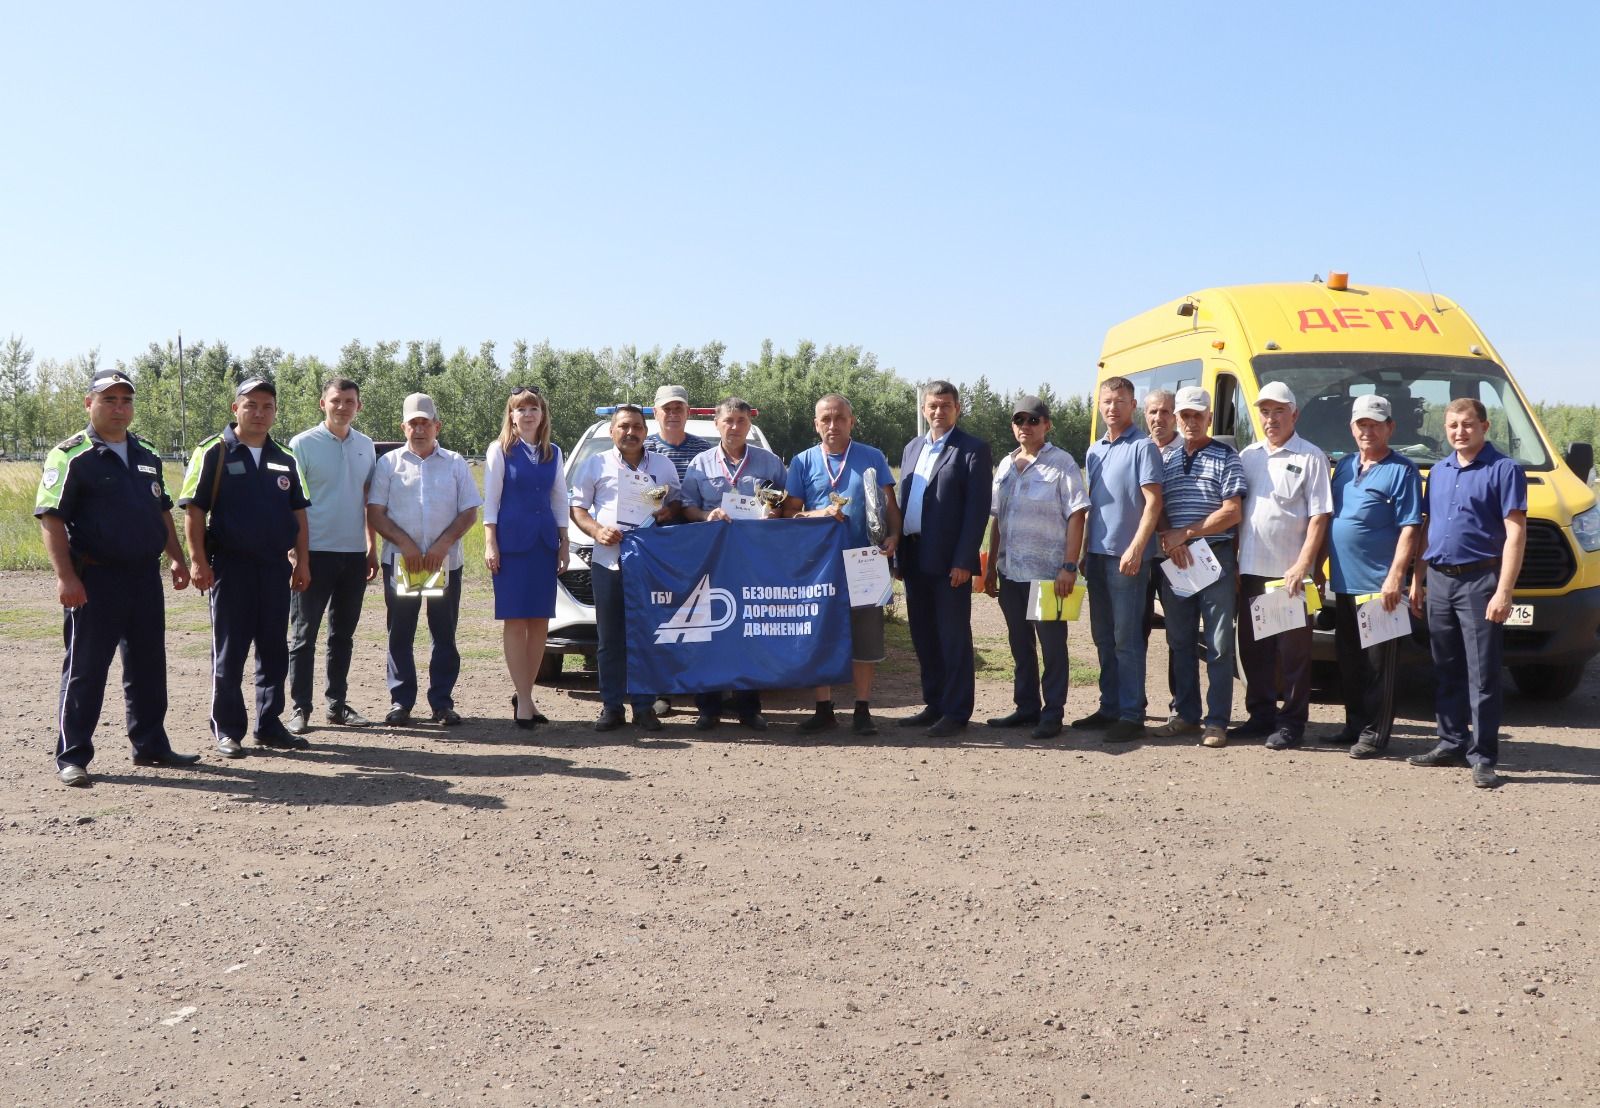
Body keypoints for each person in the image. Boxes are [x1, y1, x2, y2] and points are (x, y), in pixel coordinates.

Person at [35, 368, 197, 787]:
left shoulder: (147, 453)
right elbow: (51, 520)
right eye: (109, 400)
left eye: (126, 400)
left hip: (144, 578)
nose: (119, 408)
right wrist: (66, 578)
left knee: (147, 665)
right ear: (89, 403)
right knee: (86, 668)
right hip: (95, 580)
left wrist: (177, 559)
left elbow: (160, 511)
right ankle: (73, 755)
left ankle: (150, 744)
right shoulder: (71, 456)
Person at [179, 378, 311, 758]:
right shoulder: (214, 451)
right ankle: (228, 730)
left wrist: (302, 560)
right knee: (230, 651)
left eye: (267, 406)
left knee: (273, 650)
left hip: (273, 569)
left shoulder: (285, 457)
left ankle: (269, 724)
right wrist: (198, 560)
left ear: (275, 411)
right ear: (235, 408)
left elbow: (299, 514)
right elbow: (194, 510)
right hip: (230, 569)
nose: (259, 413)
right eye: (251, 405)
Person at [1407, 397, 1527, 789]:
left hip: (1480, 583)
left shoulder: (1504, 470)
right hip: (1439, 580)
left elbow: (1515, 535)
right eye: (1453, 425)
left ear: (1484, 426)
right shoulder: (1438, 472)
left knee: (1483, 675)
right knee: (1446, 667)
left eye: (1468, 424)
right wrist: (1417, 579)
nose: (1460, 431)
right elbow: (1427, 527)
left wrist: (1504, 591)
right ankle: (1451, 742)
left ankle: (1483, 756)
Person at [782, 393, 902, 736]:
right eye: (826, 419)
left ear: (851, 421)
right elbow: (790, 511)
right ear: (816, 424)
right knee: (822, 634)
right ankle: (824, 708)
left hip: (867, 559)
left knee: (865, 638)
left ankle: (863, 708)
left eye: (839, 418)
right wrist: (818, 513)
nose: (832, 425)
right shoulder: (803, 461)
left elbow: (889, 504)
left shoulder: (872, 457)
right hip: (819, 565)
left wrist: (894, 536)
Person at [367, 393, 482, 727]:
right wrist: (406, 544)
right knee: (400, 633)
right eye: (413, 423)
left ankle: (442, 703)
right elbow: (376, 512)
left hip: (443, 564)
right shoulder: (389, 464)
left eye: (425, 423)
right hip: (403, 563)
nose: (419, 429)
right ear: (403, 426)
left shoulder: (455, 463)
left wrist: (441, 545)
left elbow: (469, 511)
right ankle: (401, 702)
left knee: (443, 634)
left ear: (437, 426)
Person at [981, 395, 1089, 740]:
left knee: (1052, 647)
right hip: (1011, 571)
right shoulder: (1006, 465)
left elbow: (1077, 514)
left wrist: (1069, 565)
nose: (1025, 426)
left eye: (1033, 420)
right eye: (1019, 421)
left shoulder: (1062, 463)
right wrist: (992, 565)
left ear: (1047, 424)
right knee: (1019, 643)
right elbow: (998, 519)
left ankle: (1052, 713)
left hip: (1049, 575)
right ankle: (1026, 706)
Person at [569, 405, 682, 732]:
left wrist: (666, 513)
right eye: (623, 427)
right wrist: (596, 531)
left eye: (636, 427)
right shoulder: (595, 464)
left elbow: (675, 500)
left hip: (648, 562)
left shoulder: (662, 464)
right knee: (610, 637)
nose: (630, 432)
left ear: (646, 432)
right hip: (608, 560)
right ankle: (612, 707)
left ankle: (644, 707)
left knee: (646, 635)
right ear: (612, 431)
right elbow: (578, 508)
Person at [1234, 382, 1333, 750]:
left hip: (1289, 576)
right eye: (1264, 411)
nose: (1270, 419)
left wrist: (1305, 564)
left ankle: (1291, 722)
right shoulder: (1248, 455)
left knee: (1293, 655)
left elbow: (1320, 516)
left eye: (1278, 411)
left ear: (1294, 414)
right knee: (1254, 650)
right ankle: (1260, 716)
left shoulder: (1311, 456)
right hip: (1252, 570)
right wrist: (1235, 564)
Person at [680, 396, 787, 731]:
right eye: (729, 420)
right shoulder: (700, 464)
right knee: (709, 631)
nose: (735, 427)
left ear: (749, 425)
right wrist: (706, 514)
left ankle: (749, 707)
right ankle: (708, 707)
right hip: (711, 559)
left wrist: (775, 513)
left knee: (748, 631)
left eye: (741, 421)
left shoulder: (769, 463)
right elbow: (686, 506)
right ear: (717, 424)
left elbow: (786, 502)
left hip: (753, 560)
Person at [1325, 394, 1423, 758]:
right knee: (1349, 660)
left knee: (1379, 667)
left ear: (1390, 428)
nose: (1368, 430)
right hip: (1344, 582)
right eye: (1361, 424)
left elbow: (1411, 529)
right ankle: (1354, 725)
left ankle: (1375, 734)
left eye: (1375, 424)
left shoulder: (1403, 470)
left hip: (1380, 586)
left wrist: (1396, 577)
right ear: (1352, 428)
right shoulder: (1346, 466)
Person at [896, 382, 993, 737]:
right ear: (924, 409)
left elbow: (976, 510)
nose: (939, 412)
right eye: (933, 406)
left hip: (951, 561)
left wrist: (965, 559)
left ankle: (956, 711)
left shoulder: (972, 450)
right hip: (914, 555)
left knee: (952, 637)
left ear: (957, 408)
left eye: (946, 405)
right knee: (923, 635)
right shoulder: (911, 448)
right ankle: (934, 703)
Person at [1153, 386, 1245, 748]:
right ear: (1178, 418)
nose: (1191, 422)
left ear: (1209, 417)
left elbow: (1232, 510)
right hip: (1176, 560)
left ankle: (1217, 721)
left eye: (1198, 415)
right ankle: (1186, 715)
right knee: (1179, 640)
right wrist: (1168, 537)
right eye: (1185, 416)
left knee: (1219, 644)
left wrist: (1186, 534)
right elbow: (1157, 505)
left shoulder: (1226, 456)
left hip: (1214, 556)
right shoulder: (1167, 460)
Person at [286, 377, 379, 736]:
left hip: (353, 555)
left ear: (359, 406)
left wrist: (371, 547)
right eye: (336, 400)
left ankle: (336, 704)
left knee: (343, 635)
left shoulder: (366, 446)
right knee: (304, 634)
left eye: (350, 401)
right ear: (322, 403)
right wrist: (298, 554)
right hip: (314, 553)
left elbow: (369, 500)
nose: (343, 407)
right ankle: (300, 708)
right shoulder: (302, 445)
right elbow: (293, 505)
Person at [1077, 377, 1164, 742]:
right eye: (1106, 401)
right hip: (1097, 554)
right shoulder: (1095, 450)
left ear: (1133, 404)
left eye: (1120, 401)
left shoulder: (1143, 447)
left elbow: (1153, 502)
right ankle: (1109, 705)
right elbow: (1091, 506)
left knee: (1126, 638)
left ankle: (1131, 713)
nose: (1112, 408)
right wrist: (1083, 551)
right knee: (1102, 636)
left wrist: (1137, 547)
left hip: (1127, 558)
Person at [483, 386, 570, 729]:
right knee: (515, 620)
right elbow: (491, 500)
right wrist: (490, 542)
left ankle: (526, 696)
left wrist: (563, 542)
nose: (528, 414)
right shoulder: (500, 450)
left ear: (543, 414)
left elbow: (559, 499)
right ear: (512, 415)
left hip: (543, 544)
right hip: (511, 543)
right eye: (521, 409)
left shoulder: (554, 452)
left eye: (534, 408)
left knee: (539, 623)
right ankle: (524, 701)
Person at [1141, 387, 1179, 725]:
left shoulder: (1187, 451)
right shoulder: (1137, 450)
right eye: (1153, 412)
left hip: (1176, 557)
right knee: (1134, 631)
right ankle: (1131, 704)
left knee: (1178, 634)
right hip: (1139, 556)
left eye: (1165, 412)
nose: (1158, 418)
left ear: (1176, 416)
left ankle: (1179, 708)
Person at [644, 384, 715, 479]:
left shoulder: (703, 448)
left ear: (688, 412)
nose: (673, 414)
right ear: (655, 413)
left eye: (678, 408)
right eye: (667, 409)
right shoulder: (643, 448)